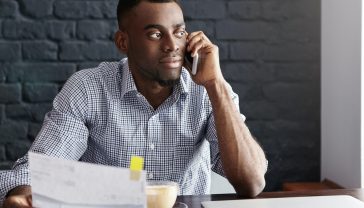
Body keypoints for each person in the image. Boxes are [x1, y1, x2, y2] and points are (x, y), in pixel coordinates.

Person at [0, 0, 268, 207]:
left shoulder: (208, 91)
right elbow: (39, 171)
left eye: (179, 32)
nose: (172, 45)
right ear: (123, 42)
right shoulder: (88, 89)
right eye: (155, 34)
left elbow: (252, 183)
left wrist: (216, 85)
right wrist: (24, 198)